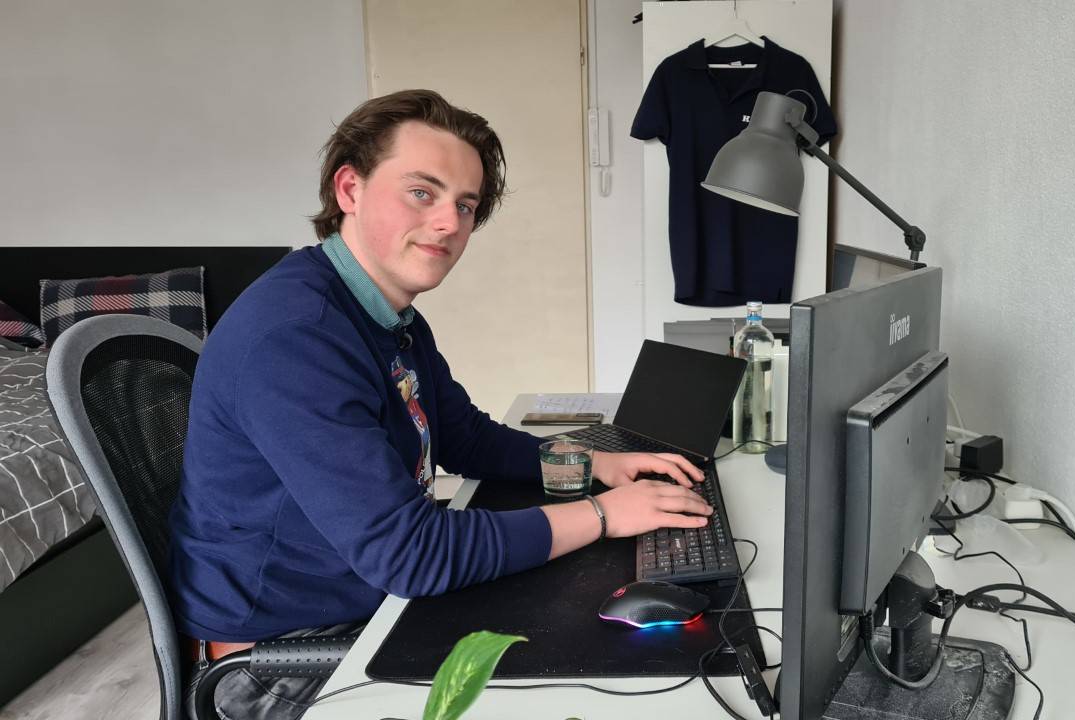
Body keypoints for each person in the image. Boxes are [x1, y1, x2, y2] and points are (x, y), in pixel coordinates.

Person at [170, 89, 713, 719]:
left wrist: (593, 466)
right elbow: (410, 554)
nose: (450, 223)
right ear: (349, 189)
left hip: (362, 603)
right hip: (282, 660)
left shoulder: (386, 315)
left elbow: (467, 439)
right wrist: (603, 514)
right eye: (421, 193)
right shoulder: (296, 337)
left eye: (465, 204)